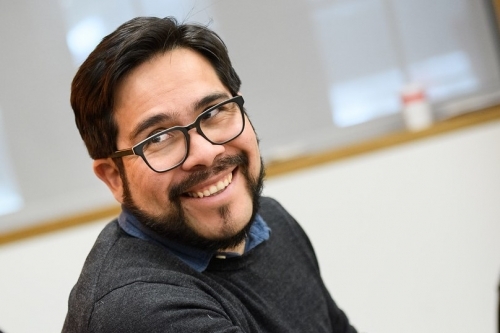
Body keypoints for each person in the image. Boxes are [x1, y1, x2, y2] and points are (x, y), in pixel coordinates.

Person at [63, 16, 357, 333]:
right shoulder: (138, 310)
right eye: (159, 137)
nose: (205, 153)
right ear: (114, 178)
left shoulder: (271, 221)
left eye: (214, 111)